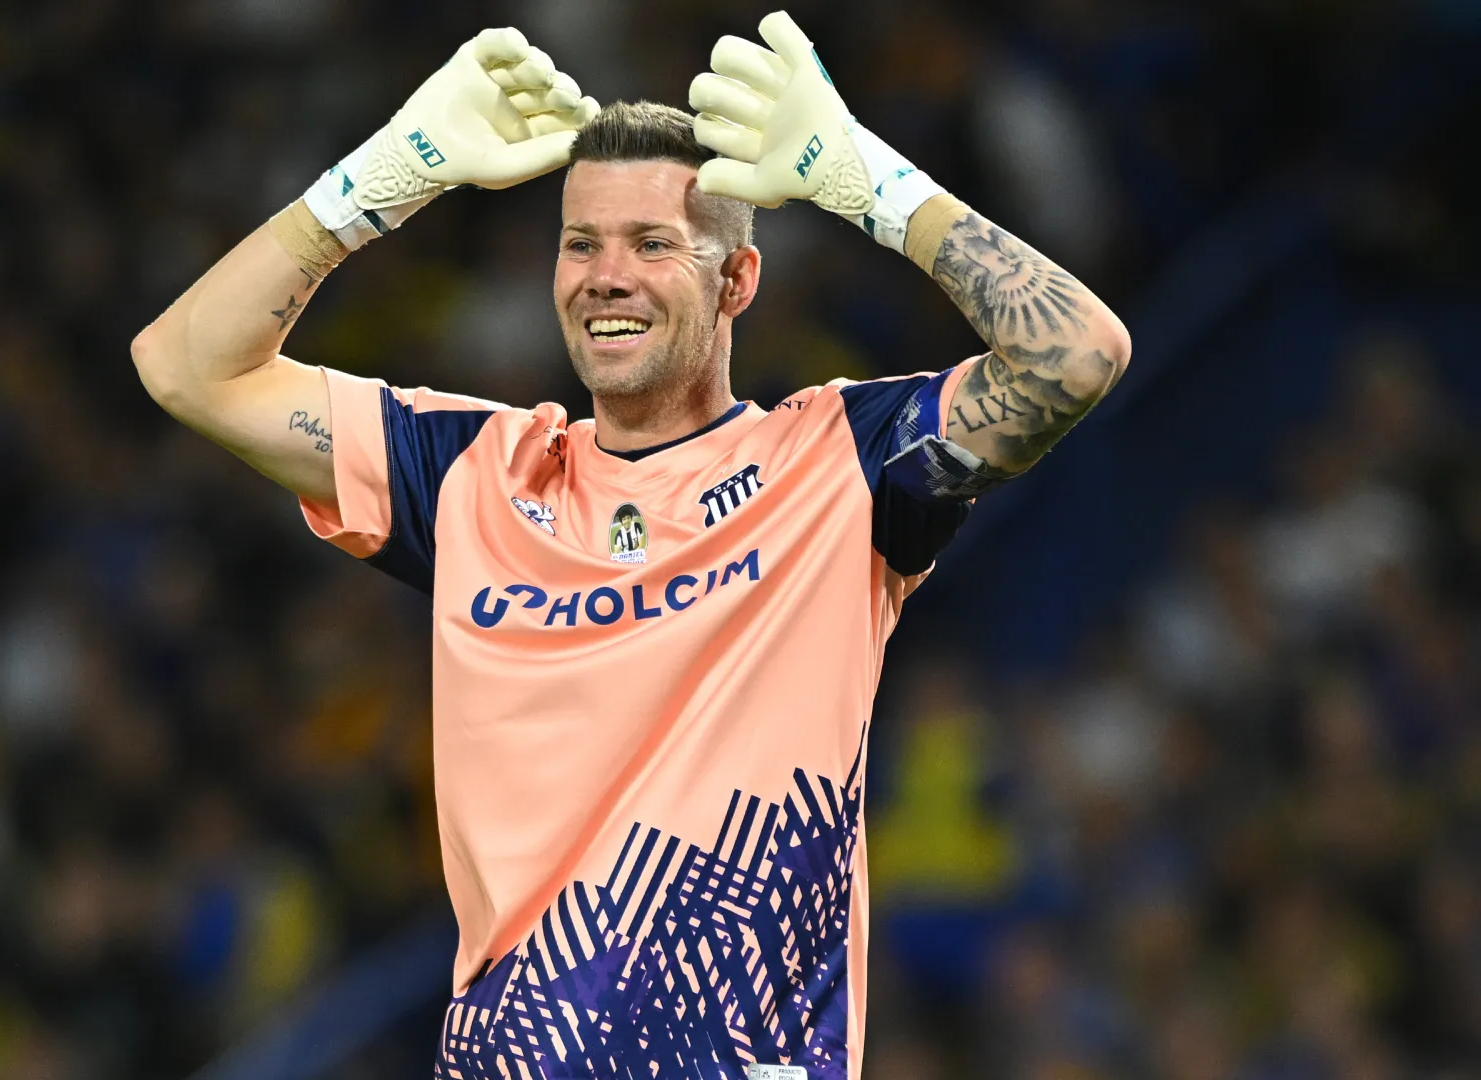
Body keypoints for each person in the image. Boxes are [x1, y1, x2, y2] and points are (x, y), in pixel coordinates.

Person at [131, 12, 1130, 1078]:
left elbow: (1073, 356)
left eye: (653, 243)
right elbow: (189, 369)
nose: (606, 275)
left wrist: (863, 182)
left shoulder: (840, 466)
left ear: (737, 282)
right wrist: (383, 176)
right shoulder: (477, 476)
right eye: (580, 242)